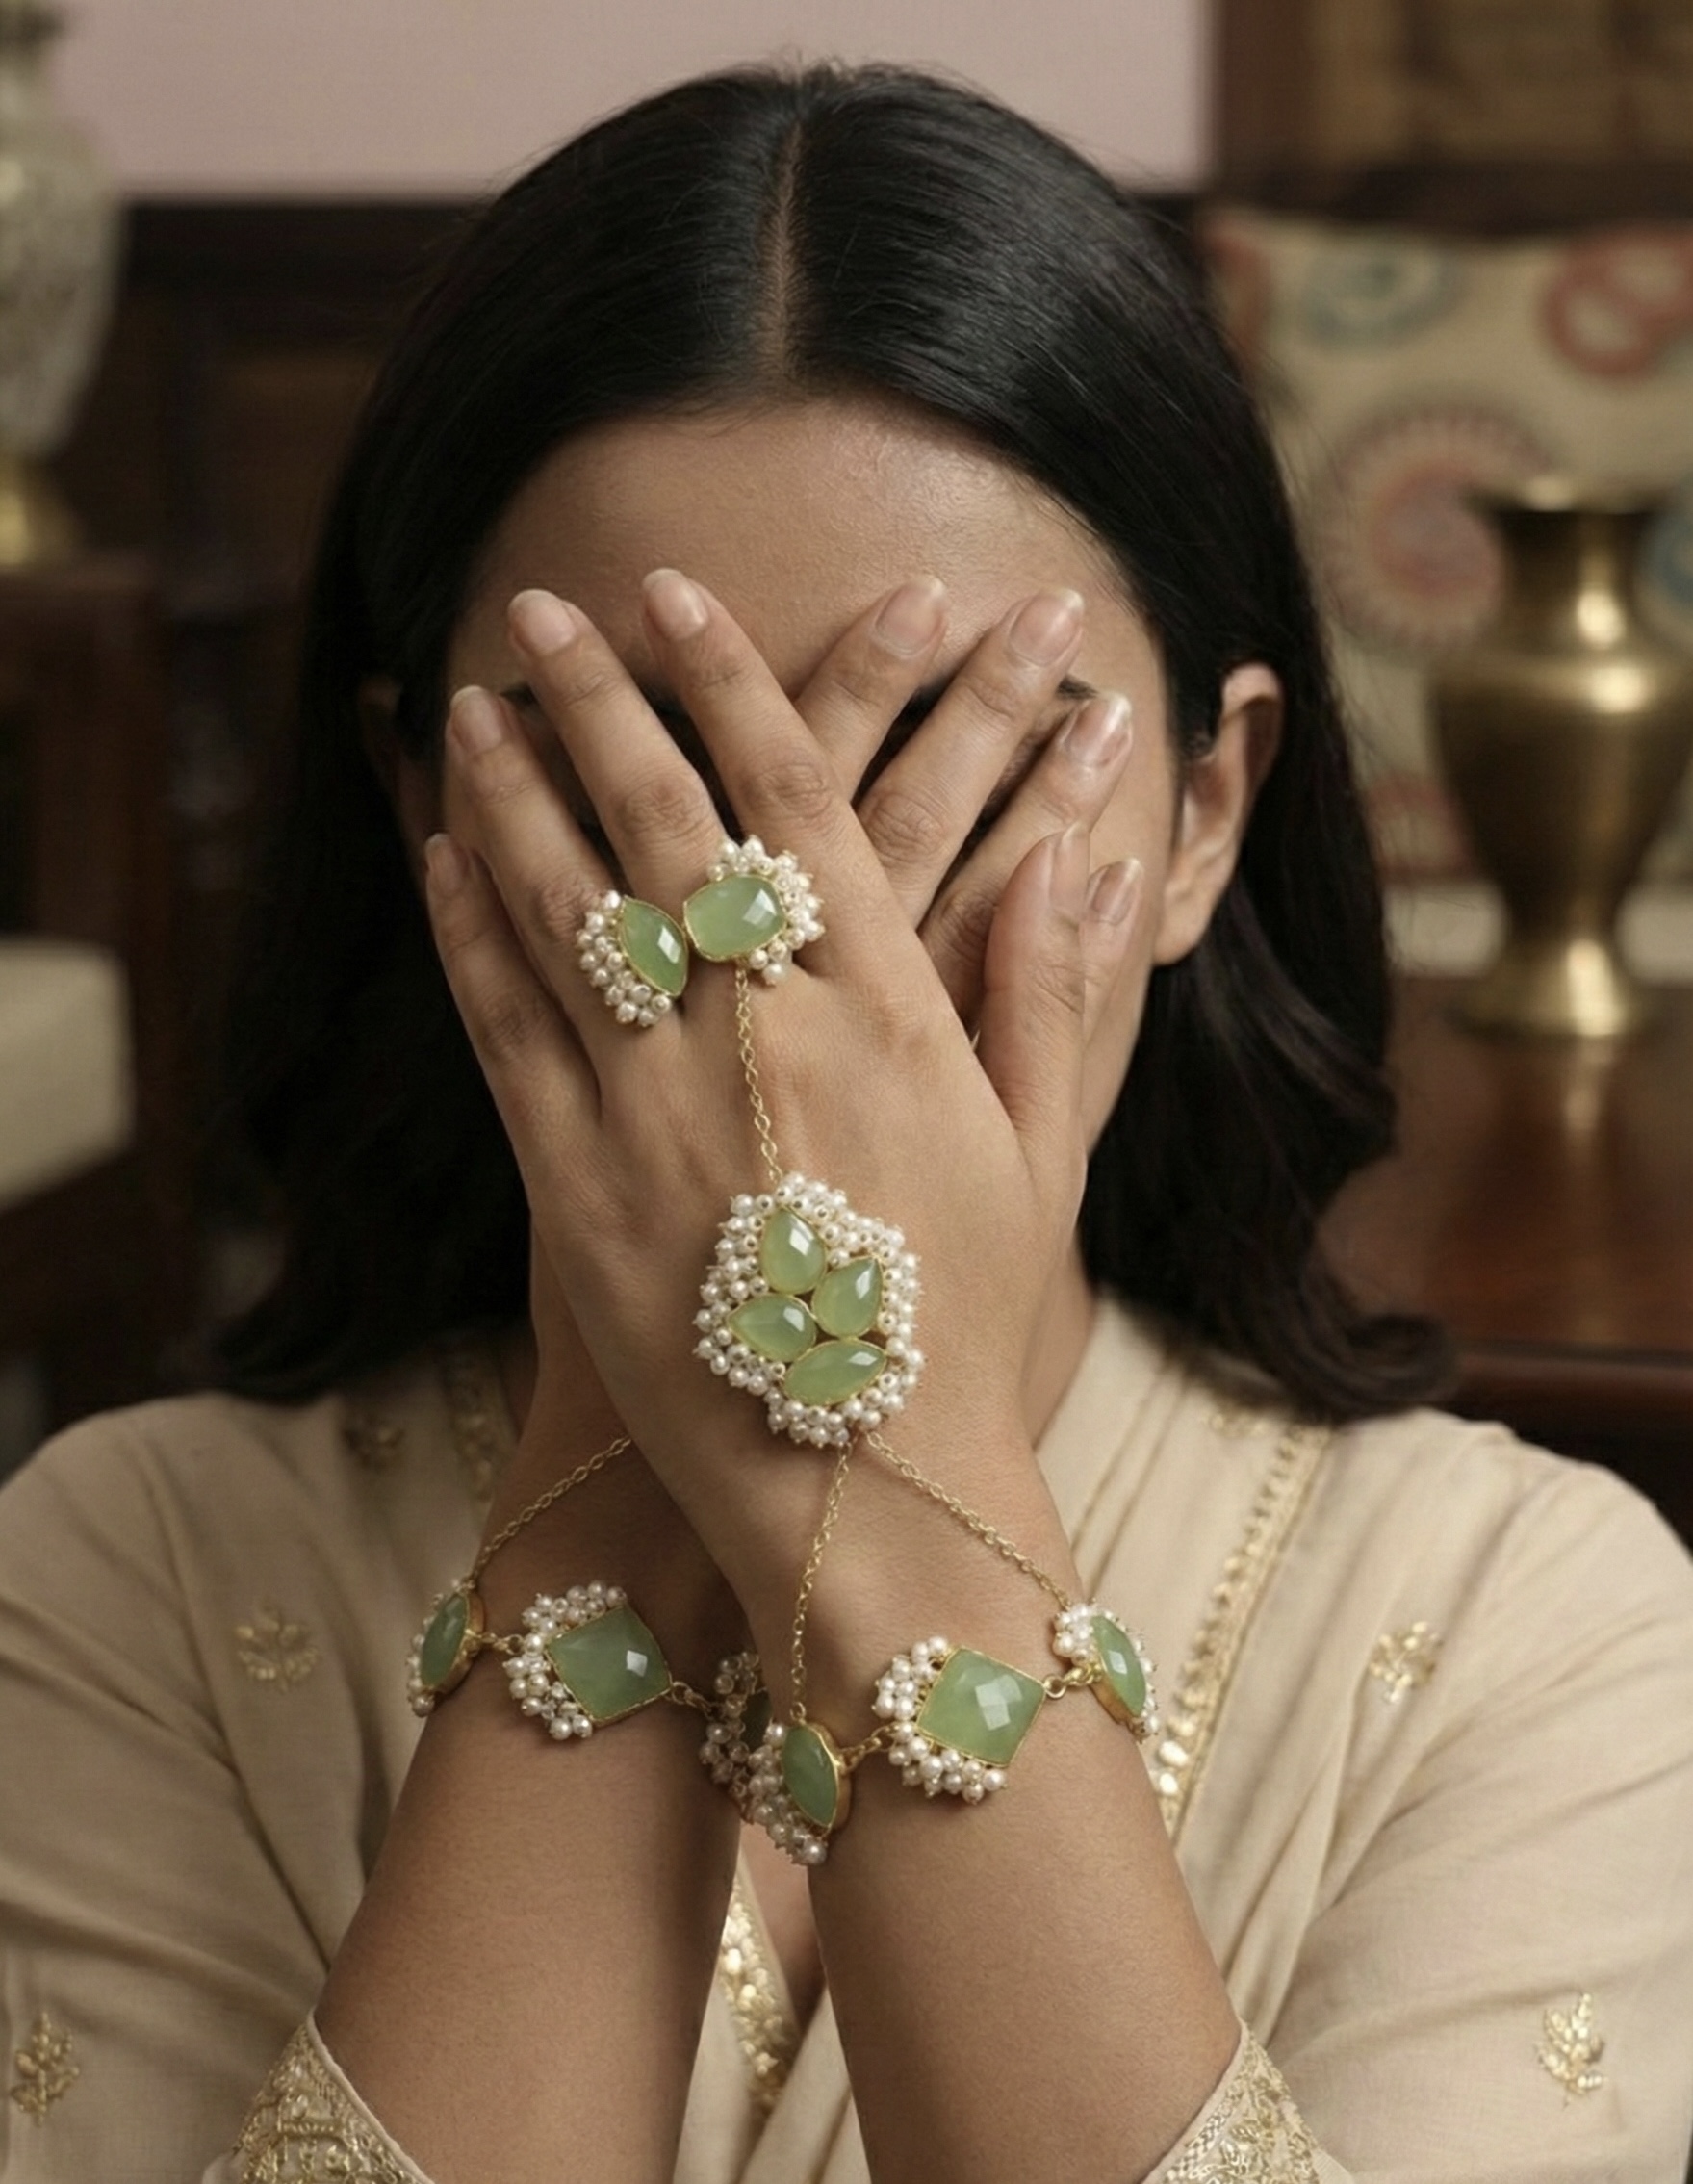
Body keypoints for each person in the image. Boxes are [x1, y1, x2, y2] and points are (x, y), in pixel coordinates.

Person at [1, 61, 1690, 2184]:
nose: (797, 955)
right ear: (428, 800)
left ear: (1202, 812)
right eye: (649, 785)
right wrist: (628, 1488)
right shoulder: (119, 1573)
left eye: (949, 776)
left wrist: (870, 1459)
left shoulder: (1536, 1622)